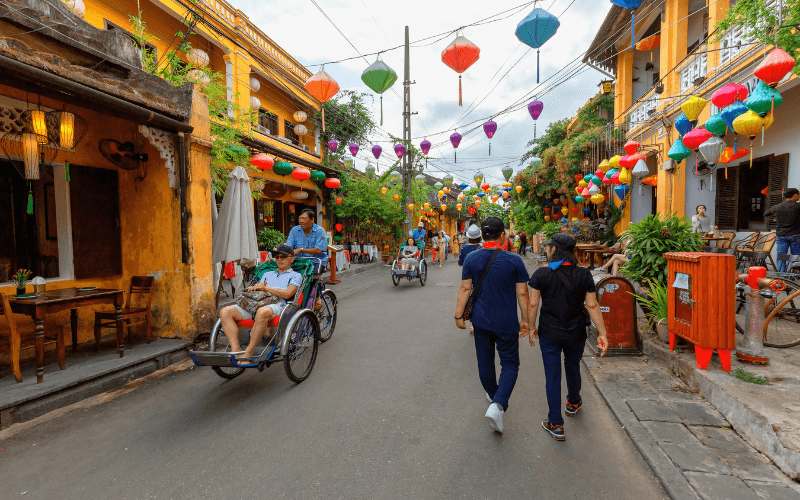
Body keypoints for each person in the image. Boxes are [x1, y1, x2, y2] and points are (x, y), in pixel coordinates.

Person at [525, 233, 608, 441]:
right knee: (572, 366)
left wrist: (531, 327)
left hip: (549, 332)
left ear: (555, 250)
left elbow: (533, 304)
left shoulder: (541, 275)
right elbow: (592, 305)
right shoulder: (584, 275)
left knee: (552, 375)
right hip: (576, 331)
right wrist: (602, 332)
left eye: (549, 247)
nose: (546, 249)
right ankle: (573, 402)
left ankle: (555, 423)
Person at [455, 217, 530, 434]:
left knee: (484, 361)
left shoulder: (472, 258)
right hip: (506, 322)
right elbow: (522, 293)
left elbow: (464, 289)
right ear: (503, 234)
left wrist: (458, 316)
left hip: (480, 321)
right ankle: (498, 405)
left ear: (482, 236)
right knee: (510, 363)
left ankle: (494, 395)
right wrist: (526, 320)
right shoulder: (514, 261)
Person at [219, 245, 302, 360]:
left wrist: (266, 288)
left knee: (262, 312)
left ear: (292, 259)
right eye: (277, 257)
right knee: (225, 311)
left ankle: (249, 351)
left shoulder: (295, 275)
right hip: (256, 303)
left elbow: (288, 294)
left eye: (283, 257)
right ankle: (235, 348)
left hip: (278, 304)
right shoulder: (267, 274)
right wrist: (254, 288)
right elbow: (259, 289)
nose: (280, 259)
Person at [765, 188, 800, 272]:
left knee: (781, 256)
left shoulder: (778, 207)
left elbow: (766, 214)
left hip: (781, 236)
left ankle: (782, 276)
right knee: (796, 256)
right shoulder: (798, 206)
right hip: (796, 235)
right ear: (795, 195)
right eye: (799, 194)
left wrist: (777, 217)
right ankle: (795, 274)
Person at [285, 209, 328, 273]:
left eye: (304, 219)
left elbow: (319, 250)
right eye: (300, 219)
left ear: (312, 220)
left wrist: (301, 249)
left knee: (306, 274)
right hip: (298, 261)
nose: (301, 221)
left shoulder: (320, 231)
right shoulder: (294, 230)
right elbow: (288, 247)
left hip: (315, 261)